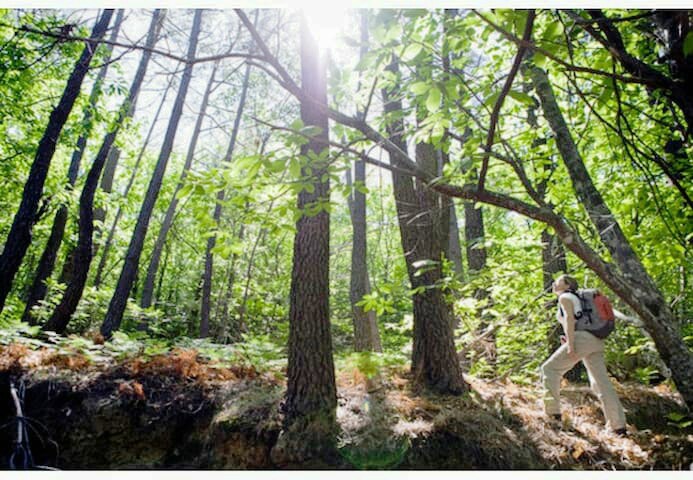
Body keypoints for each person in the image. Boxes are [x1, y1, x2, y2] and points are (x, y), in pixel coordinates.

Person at [541, 274, 627, 436]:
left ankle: (553, 414)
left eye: (558, 281)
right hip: (596, 340)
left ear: (567, 285)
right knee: (601, 382)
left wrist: (571, 345)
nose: (554, 283)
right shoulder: (578, 298)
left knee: (549, 369)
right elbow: (580, 319)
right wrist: (570, 339)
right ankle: (618, 426)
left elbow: (570, 320)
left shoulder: (565, 297)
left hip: (581, 339)